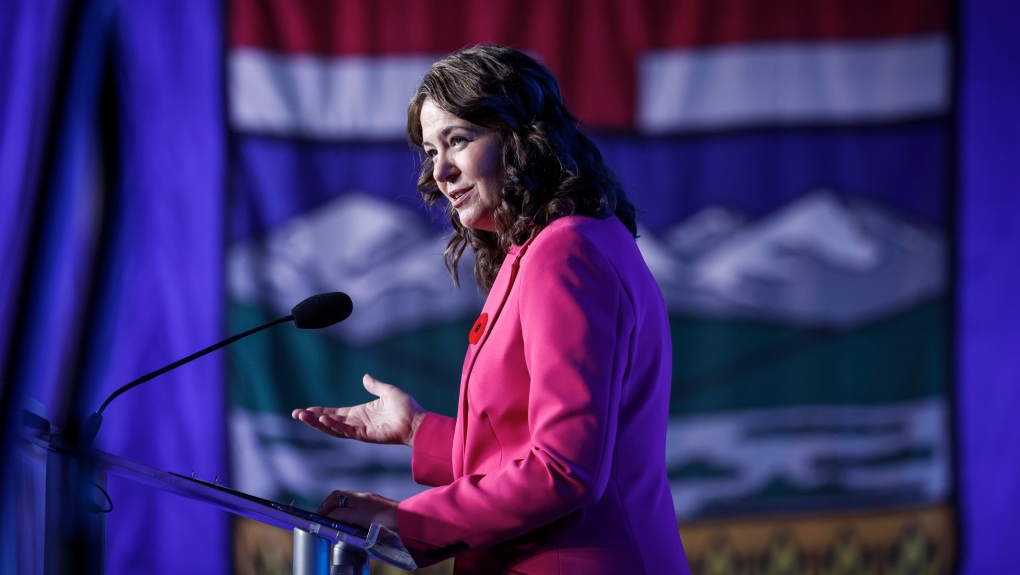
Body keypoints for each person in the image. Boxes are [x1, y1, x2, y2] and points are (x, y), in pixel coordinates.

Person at [293, 44, 690, 574]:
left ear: (523, 140)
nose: (440, 171)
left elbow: (565, 469)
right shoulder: (567, 243)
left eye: (457, 140)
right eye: (431, 151)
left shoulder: (564, 251)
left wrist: (410, 522)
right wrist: (417, 430)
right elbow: (534, 446)